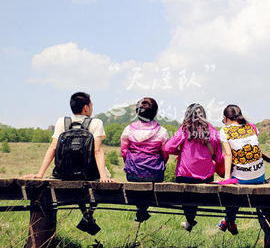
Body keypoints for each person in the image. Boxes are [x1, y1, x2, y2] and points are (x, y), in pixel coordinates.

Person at [23, 92, 114, 235]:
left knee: (77, 182)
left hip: (64, 174)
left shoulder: (62, 122)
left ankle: (86, 215)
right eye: (91, 105)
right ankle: (88, 214)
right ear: (86, 108)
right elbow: (97, 151)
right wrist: (104, 176)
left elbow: (53, 147)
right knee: (99, 179)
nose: (91, 108)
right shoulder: (96, 123)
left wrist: (40, 173)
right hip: (88, 174)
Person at [163, 103, 223, 232]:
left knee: (186, 195)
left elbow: (167, 148)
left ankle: (190, 220)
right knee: (194, 195)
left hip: (185, 176)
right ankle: (190, 220)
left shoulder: (184, 130)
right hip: (206, 177)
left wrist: (180, 151)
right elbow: (218, 158)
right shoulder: (213, 131)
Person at [217, 104, 265, 235]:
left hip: (243, 178)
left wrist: (227, 178)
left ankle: (229, 220)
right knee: (238, 181)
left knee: (231, 192)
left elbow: (228, 155)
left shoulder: (225, 131)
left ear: (226, 118)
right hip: (260, 175)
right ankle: (228, 221)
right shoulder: (253, 127)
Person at [121, 97, 169, 222]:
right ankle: (142, 210)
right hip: (155, 175)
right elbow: (165, 155)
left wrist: (131, 166)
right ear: (155, 112)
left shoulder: (128, 130)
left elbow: (124, 152)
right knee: (150, 182)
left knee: (138, 182)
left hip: (133, 175)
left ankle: (141, 210)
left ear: (137, 112)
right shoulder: (162, 132)